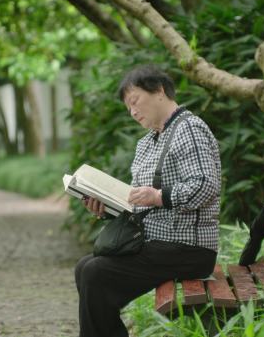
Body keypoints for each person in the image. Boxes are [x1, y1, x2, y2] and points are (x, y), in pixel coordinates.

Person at [74, 65, 221, 337]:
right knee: (86, 267)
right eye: (128, 108)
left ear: (159, 91)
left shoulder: (188, 128)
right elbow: (138, 202)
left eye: (135, 101)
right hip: (158, 244)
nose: (132, 112)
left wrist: (158, 196)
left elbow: (206, 185)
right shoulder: (148, 142)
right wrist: (106, 208)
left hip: (187, 247)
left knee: (96, 274)